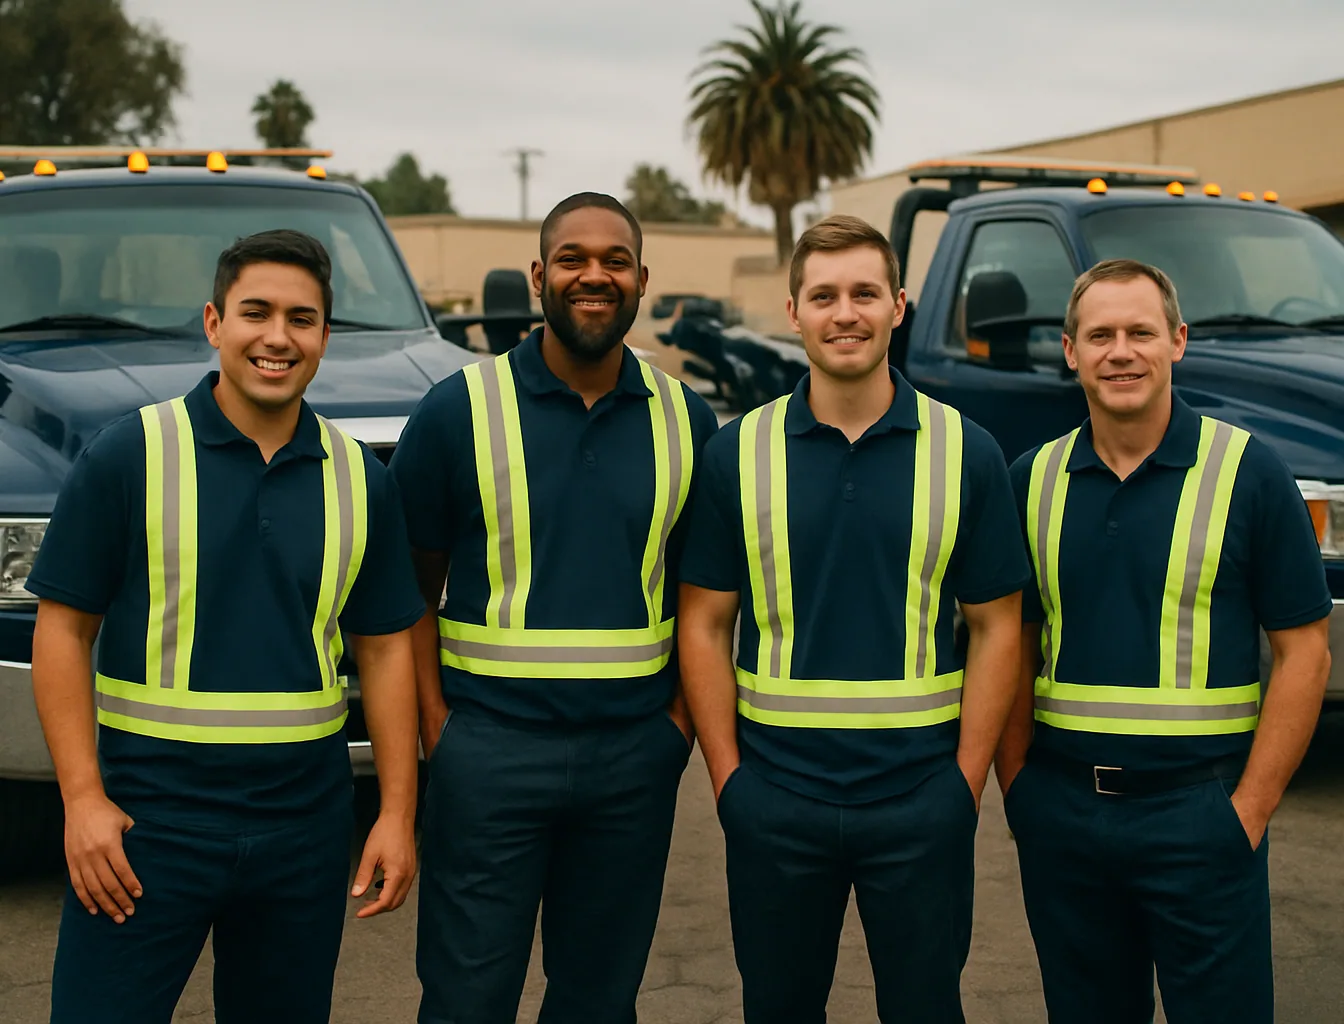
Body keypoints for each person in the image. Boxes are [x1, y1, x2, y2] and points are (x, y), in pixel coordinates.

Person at [28, 229, 425, 1024]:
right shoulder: (128, 455)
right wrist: (82, 799)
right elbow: (62, 632)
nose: (278, 337)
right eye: (257, 312)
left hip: (303, 827)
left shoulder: (361, 479)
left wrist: (394, 814)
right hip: (147, 825)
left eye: (302, 319)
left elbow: (384, 654)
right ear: (214, 323)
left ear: (324, 337)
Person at [676, 214, 1029, 1024]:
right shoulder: (738, 452)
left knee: (926, 1009)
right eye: (825, 295)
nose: (847, 313)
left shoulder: (966, 450)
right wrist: (732, 784)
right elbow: (702, 624)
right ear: (793, 310)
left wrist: (963, 786)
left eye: (865, 293)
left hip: (920, 801)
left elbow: (998, 627)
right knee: (779, 1008)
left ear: (898, 305)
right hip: (776, 799)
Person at [390, 192, 719, 1024]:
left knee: (599, 1000)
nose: (593, 275)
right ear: (539, 276)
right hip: (490, 754)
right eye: (572, 259)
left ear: (643, 279)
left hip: (631, 763)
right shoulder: (457, 412)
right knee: (468, 999)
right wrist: (440, 731)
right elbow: (409, 594)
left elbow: (703, 598)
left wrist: (673, 729)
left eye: (614, 260)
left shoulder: (688, 420)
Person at [995, 258, 1333, 1024]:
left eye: (1141, 332)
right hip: (1065, 817)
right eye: (1101, 334)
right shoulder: (1029, 480)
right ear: (1069, 350)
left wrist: (1249, 809)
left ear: (1178, 341)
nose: (1122, 351)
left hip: (1201, 817)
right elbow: (1011, 645)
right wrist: (1020, 788)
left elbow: (1306, 652)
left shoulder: (1251, 473)